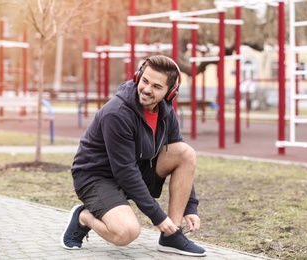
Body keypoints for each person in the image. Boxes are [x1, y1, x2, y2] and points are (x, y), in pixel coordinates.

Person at [61, 55, 206, 257]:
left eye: (156, 86)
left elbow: (180, 157)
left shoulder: (166, 112)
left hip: (135, 168)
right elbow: (125, 171)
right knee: (127, 233)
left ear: (170, 93)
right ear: (138, 77)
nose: (147, 89)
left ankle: (172, 236)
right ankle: (84, 217)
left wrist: (191, 207)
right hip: (96, 177)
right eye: (145, 81)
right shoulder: (117, 113)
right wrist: (158, 217)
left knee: (185, 152)